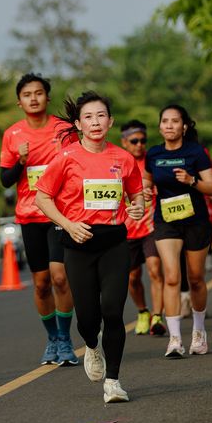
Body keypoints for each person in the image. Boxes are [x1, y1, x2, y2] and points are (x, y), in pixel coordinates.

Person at [35, 91, 144, 403]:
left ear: (110, 122)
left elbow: (136, 194)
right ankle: (92, 347)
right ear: (78, 124)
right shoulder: (66, 157)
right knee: (87, 318)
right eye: (88, 117)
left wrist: (137, 207)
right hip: (78, 244)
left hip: (114, 243)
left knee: (113, 310)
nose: (95, 122)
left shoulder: (123, 158)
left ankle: (113, 381)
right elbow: (42, 198)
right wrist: (68, 224)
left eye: (101, 116)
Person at [0, 73, 78, 366]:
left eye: (38, 93)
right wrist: (20, 162)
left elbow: (79, 165)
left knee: (60, 277)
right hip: (30, 215)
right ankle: (52, 338)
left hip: (59, 213)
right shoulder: (13, 135)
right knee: (42, 283)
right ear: (19, 102)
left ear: (47, 97)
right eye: (27, 94)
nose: (33, 98)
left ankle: (66, 338)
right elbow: (5, 180)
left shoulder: (64, 130)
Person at [144, 104, 212, 358]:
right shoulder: (153, 154)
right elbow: (145, 182)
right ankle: (174, 339)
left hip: (195, 221)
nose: (169, 125)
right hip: (166, 221)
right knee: (172, 277)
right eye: (165, 121)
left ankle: (199, 331)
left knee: (195, 278)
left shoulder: (196, 152)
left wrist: (191, 180)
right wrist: (144, 192)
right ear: (159, 126)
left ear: (184, 127)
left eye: (175, 121)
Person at [120, 120, 165, 336]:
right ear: (124, 142)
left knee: (155, 270)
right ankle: (143, 311)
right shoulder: (118, 162)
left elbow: (167, 185)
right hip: (127, 230)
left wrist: (154, 190)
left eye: (143, 140)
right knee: (132, 277)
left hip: (151, 226)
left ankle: (157, 316)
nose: (139, 144)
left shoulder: (153, 161)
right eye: (134, 141)